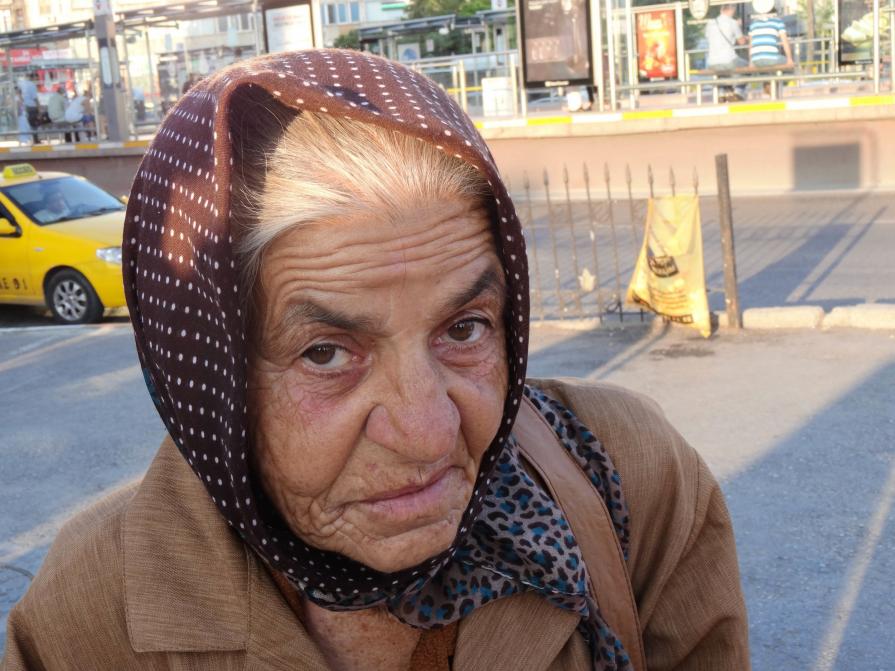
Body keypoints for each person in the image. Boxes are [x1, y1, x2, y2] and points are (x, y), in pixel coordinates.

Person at [1, 51, 749, 671]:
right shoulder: (89, 615)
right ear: (208, 382)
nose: (428, 433)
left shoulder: (632, 475)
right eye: (326, 353)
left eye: (464, 328)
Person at [706, 4, 749, 101]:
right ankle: (738, 91)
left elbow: (709, 38)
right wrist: (743, 33)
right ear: (731, 10)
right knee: (747, 66)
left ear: (721, 10)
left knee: (721, 71)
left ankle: (722, 93)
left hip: (711, 62)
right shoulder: (732, 22)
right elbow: (742, 42)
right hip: (728, 59)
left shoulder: (710, 23)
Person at [17, 72, 40, 144]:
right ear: (33, 77)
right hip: (32, 106)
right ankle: (35, 139)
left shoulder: (21, 83)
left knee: (28, 124)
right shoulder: (32, 84)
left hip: (24, 106)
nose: (37, 80)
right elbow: (35, 98)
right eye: (36, 79)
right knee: (34, 124)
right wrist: (39, 108)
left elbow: (19, 93)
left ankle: (30, 139)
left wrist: (22, 102)